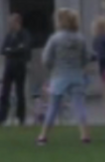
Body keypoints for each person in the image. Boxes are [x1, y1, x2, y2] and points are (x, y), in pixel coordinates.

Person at [36, 8, 91, 145]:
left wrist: (51, 68)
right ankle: (84, 135)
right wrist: (79, 66)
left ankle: (43, 136)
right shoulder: (80, 38)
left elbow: (46, 58)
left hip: (59, 75)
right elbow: (86, 57)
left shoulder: (55, 38)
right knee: (79, 106)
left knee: (53, 107)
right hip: (77, 75)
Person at [0, 13, 32, 126]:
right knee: (4, 92)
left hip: (20, 66)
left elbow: (25, 48)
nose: (10, 25)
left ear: (17, 23)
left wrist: (10, 50)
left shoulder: (24, 34)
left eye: (12, 23)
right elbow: (2, 50)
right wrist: (15, 49)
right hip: (9, 66)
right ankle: (1, 118)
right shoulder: (9, 35)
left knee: (19, 92)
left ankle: (21, 118)